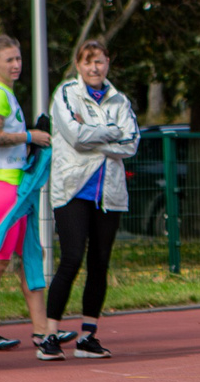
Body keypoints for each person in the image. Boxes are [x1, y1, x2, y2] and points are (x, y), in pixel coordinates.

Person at [41, 39, 140, 361]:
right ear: (79, 65)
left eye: (99, 61)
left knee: (100, 262)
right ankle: (50, 334)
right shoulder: (67, 94)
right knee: (71, 259)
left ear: (108, 63)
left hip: (109, 193)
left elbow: (132, 142)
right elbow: (74, 136)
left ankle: (88, 335)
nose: (94, 68)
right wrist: (111, 132)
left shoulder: (120, 100)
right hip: (72, 189)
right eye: (88, 62)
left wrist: (95, 133)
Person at [0, 33, 52, 352]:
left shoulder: (2, 93)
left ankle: (43, 330)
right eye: (10, 60)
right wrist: (30, 135)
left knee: (27, 257)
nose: (17, 65)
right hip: (1, 186)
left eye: (19, 59)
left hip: (13, 185)